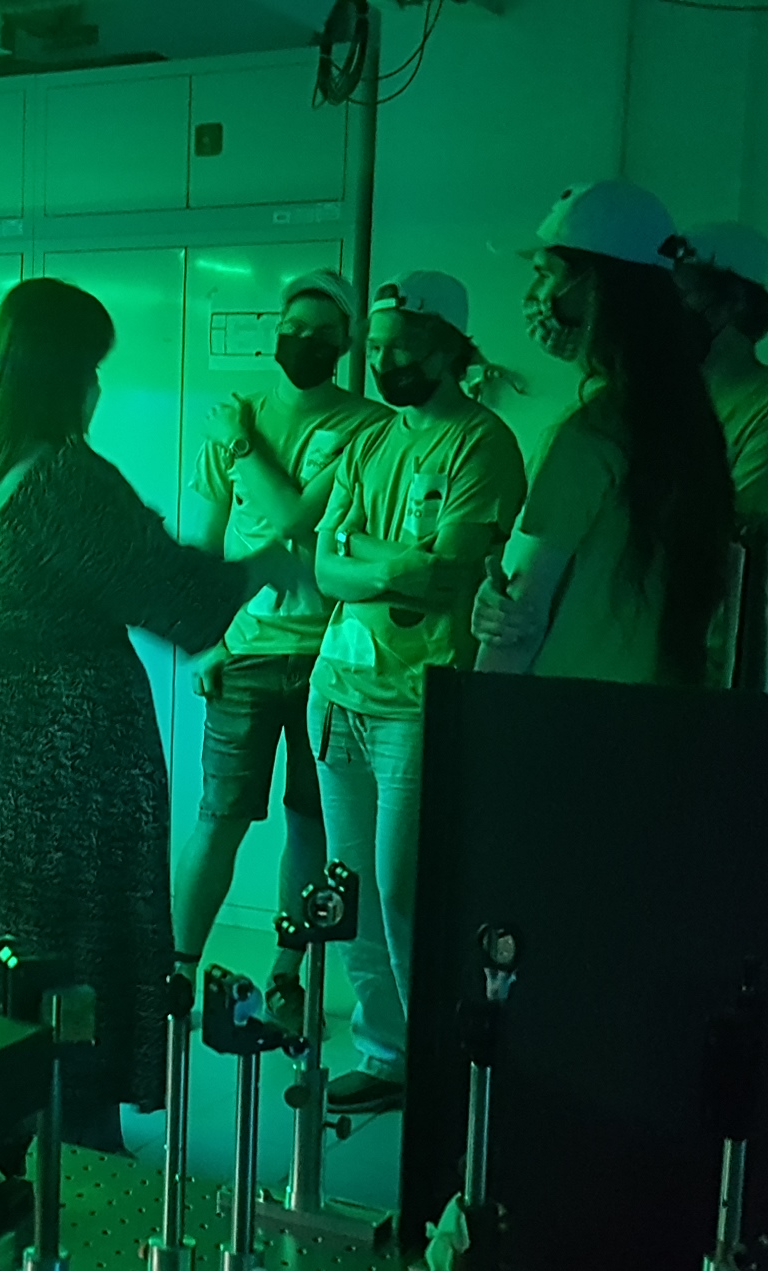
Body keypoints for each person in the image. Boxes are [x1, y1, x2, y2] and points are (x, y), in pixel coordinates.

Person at [0, 277, 308, 1152]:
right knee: (82, 941)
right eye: (92, 369)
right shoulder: (64, 480)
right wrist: (265, 565)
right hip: (81, 750)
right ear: (62, 375)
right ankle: (80, 1134)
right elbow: (180, 599)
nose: (97, 387)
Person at [309, 272, 527, 1112]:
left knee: (406, 889)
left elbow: (445, 577)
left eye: (401, 346)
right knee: (350, 886)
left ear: (448, 348)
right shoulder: (371, 439)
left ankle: (440, 1060)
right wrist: (388, 564)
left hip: (418, 700)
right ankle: (385, 1051)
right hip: (339, 689)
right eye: (376, 345)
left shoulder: (482, 444)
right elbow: (325, 566)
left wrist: (369, 555)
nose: (384, 360)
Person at [173, 268, 389, 1025]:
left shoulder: (368, 429)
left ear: (347, 341)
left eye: (320, 333)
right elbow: (204, 547)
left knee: (312, 822)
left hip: (333, 658)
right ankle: (177, 971)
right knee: (219, 817)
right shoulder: (236, 417)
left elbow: (299, 519)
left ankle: (288, 972)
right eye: (292, 329)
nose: (303, 342)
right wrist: (205, 642)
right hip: (244, 655)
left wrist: (240, 444)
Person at [473, 180, 737, 688]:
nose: (533, 297)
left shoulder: (587, 434)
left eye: (545, 274)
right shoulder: (686, 422)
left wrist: (475, 717)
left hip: (563, 710)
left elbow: (519, 618)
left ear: (593, 286)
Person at [675, 221, 768, 689]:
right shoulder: (666, 399)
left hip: (712, 657)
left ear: (732, 304)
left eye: (683, 294)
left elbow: (731, 529)